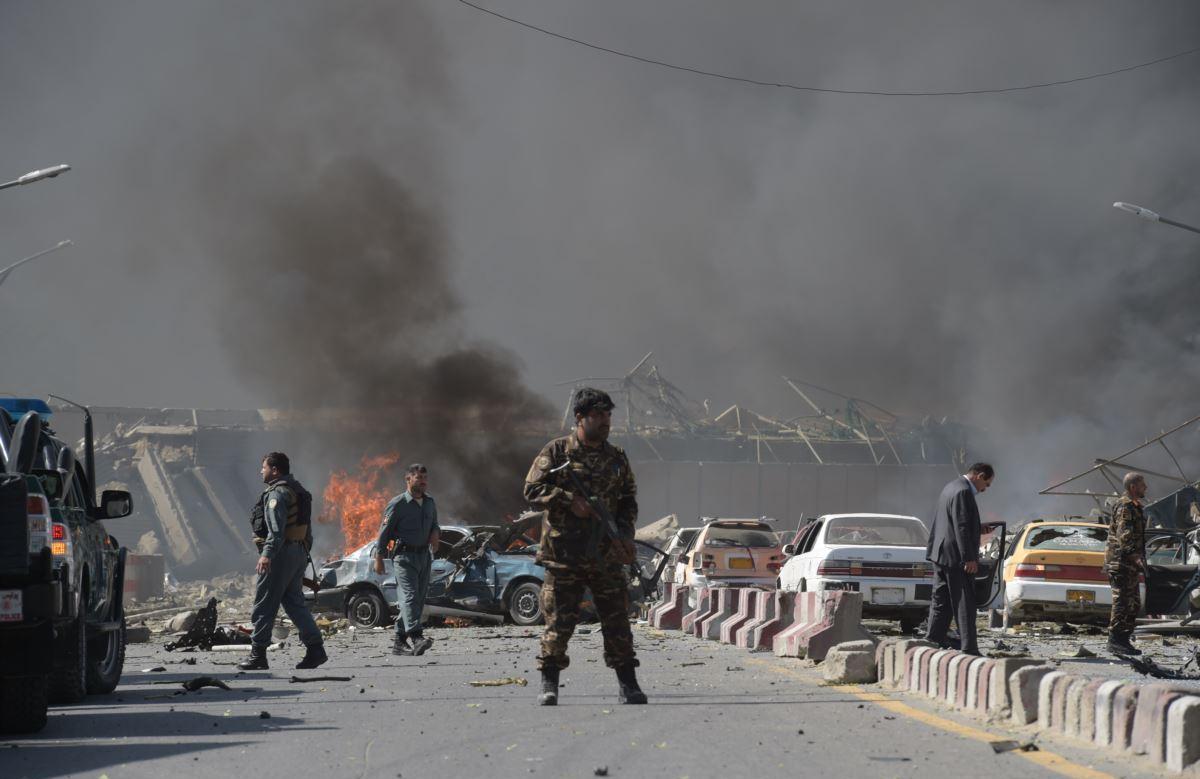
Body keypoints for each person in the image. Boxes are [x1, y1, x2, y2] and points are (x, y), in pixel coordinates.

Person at [524, 387, 644, 706]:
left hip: (605, 554)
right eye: (598, 415)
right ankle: (549, 683)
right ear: (580, 418)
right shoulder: (557, 452)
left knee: (617, 620)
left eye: (607, 415)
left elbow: (628, 500)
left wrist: (625, 536)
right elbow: (531, 489)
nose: (605, 421)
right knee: (558, 623)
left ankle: (628, 684)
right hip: (565, 554)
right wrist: (567, 501)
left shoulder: (616, 458)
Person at [239, 452, 327, 671]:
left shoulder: (277, 494)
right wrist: (303, 554)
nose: (261, 471)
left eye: (264, 467)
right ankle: (316, 649)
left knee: (264, 604)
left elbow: (276, 532)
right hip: (297, 552)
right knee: (295, 603)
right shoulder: (298, 491)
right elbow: (307, 530)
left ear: (275, 470)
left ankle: (258, 655)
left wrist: (267, 554)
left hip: (280, 554)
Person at [924, 462, 994, 656]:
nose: (985, 489)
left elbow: (953, 522)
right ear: (979, 476)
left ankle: (933, 641)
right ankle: (969, 648)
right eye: (986, 484)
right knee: (965, 602)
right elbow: (961, 526)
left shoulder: (951, 486)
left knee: (941, 600)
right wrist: (969, 558)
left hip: (941, 554)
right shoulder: (964, 491)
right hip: (955, 557)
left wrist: (979, 528)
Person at [373, 463, 440, 656]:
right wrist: (378, 557)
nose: (423, 482)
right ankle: (417, 637)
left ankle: (399, 642)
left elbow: (434, 523)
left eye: (425, 479)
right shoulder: (398, 503)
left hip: (424, 556)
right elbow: (384, 533)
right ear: (408, 479)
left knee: (417, 600)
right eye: (419, 478)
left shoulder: (429, 502)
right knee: (409, 596)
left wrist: (435, 534)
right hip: (403, 557)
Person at [1106, 472, 1148, 656]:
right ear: (1133, 487)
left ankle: (1124, 640)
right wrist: (1135, 556)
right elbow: (1125, 536)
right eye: (1142, 484)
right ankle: (1115, 641)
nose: (1145, 487)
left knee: (1134, 604)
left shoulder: (1135, 506)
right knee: (1122, 603)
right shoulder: (1125, 507)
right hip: (1121, 562)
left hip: (1130, 564)